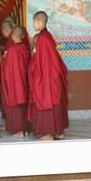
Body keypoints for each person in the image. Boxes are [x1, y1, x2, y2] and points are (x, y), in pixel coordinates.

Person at [28, 11, 69, 141]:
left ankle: (48, 134)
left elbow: (41, 63)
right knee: (55, 103)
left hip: (46, 78)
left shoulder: (42, 38)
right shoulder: (47, 36)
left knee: (46, 101)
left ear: (39, 22)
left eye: (34, 21)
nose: (33, 24)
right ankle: (58, 132)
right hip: (52, 77)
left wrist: (33, 57)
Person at [1, 26, 31, 138]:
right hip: (23, 81)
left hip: (14, 82)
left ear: (13, 36)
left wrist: (4, 59)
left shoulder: (12, 50)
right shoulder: (24, 48)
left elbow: (7, 68)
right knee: (23, 106)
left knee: (16, 106)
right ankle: (25, 129)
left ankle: (19, 131)